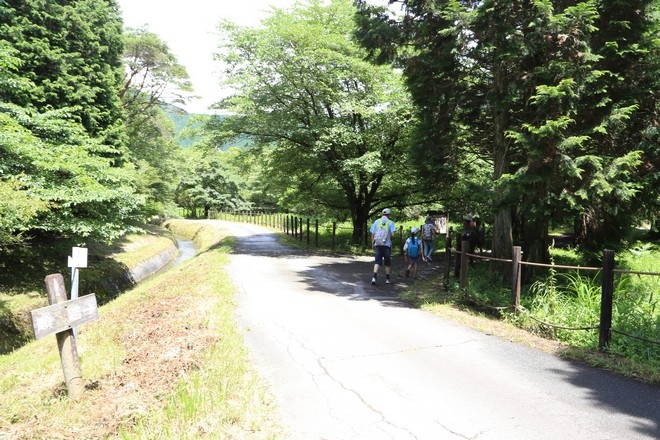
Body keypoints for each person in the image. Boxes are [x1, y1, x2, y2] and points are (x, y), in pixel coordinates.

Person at [370, 208, 397, 285]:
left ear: (382, 214)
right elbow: (393, 235)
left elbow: (372, 233)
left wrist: (373, 243)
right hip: (387, 245)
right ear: (389, 215)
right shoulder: (390, 222)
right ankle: (387, 279)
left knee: (377, 261)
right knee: (387, 262)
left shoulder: (377, 221)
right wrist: (389, 239)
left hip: (378, 244)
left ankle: (374, 278)